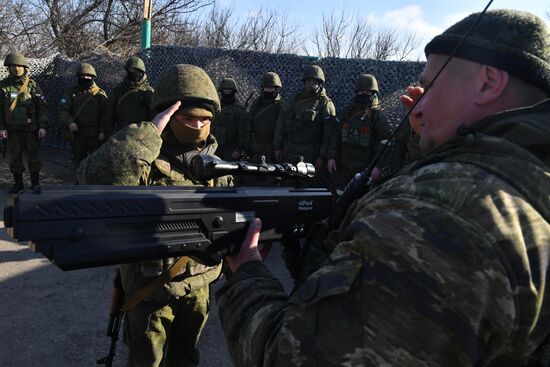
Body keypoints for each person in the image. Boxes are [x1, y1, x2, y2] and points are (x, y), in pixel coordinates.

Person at [216, 9, 550, 366]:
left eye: (430, 86)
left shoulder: (438, 211)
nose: (417, 106)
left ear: (488, 82)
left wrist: (247, 273)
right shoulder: (529, 180)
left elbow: (291, 357)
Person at [77, 64, 231, 367]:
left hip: (198, 288)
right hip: (149, 291)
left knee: (186, 358)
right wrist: (149, 134)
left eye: (205, 119)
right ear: (168, 116)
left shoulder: (217, 167)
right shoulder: (141, 157)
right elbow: (91, 182)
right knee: (146, 360)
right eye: (188, 118)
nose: (197, 125)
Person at [327, 74, 399, 189]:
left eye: (367, 91)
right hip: (343, 168)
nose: (364, 94)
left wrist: (377, 167)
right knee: (339, 198)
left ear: (373, 93)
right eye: (361, 91)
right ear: (357, 92)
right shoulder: (348, 111)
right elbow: (336, 136)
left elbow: (385, 143)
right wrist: (331, 157)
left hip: (364, 170)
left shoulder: (377, 115)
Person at [273, 64, 336, 188]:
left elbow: (329, 134)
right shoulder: (295, 100)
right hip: (290, 150)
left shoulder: (325, 104)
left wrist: (321, 157)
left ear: (320, 83)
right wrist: (277, 147)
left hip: (311, 154)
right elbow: (281, 123)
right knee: (286, 184)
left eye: (314, 81)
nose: (311, 83)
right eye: (309, 81)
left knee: (306, 188)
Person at [0, 52, 48, 193]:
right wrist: (1, 128)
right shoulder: (2, 87)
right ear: (8, 68)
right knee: (15, 157)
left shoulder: (33, 86)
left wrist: (43, 126)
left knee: (33, 156)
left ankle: (35, 183)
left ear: (25, 68)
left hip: (31, 129)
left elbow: (42, 108)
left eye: (19, 66)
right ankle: (18, 184)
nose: (16, 69)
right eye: (13, 66)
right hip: (12, 130)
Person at [59, 62, 109, 168]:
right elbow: (63, 110)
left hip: (95, 135)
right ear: (78, 77)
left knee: (95, 161)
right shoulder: (71, 92)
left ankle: (93, 183)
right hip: (78, 134)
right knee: (79, 159)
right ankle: (80, 181)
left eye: (88, 76)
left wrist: (102, 131)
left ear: (92, 77)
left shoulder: (99, 94)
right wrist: (70, 122)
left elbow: (106, 115)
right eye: (82, 76)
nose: (85, 78)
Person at [247, 71, 286, 164]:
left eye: (271, 88)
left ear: (277, 89)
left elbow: (281, 130)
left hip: (272, 149)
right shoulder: (257, 103)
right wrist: (247, 145)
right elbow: (248, 124)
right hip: (256, 147)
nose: (268, 90)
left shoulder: (281, 106)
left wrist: (277, 148)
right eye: (266, 88)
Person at [108, 56, 154, 133]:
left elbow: (153, 115)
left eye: (135, 71)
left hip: (141, 132)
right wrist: (108, 131)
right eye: (130, 70)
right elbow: (110, 112)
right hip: (121, 132)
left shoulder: (148, 92)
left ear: (141, 72)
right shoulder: (119, 89)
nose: (132, 73)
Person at [211, 77, 249, 161]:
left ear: (234, 92)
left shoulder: (239, 110)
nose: (227, 93)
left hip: (231, 150)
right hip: (214, 147)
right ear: (221, 92)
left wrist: (238, 150)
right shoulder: (216, 107)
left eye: (230, 91)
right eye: (225, 91)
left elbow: (243, 132)